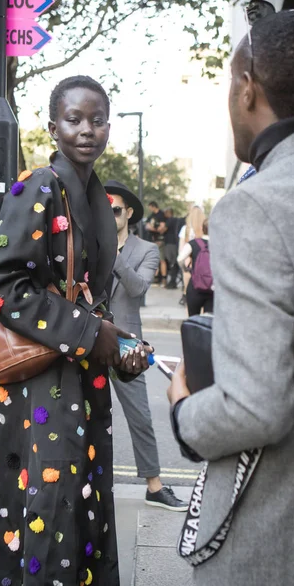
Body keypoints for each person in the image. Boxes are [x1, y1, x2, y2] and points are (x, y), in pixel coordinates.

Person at [0, 75, 151, 586]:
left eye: (97, 119)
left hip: (77, 384)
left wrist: (117, 345)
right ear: (53, 127)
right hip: (38, 391)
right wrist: (90, 333)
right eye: (74, 119)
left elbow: (85, 295)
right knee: (47, 515)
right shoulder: (41, 185)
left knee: (72, 511)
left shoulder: (91, 195)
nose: (87, 130)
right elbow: (1, 282)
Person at [168, 8, 294, 585]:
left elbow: (254, 405)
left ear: (248, 89)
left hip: (284, 541)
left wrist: (185, 414)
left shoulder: (256, 205)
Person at [104, 180, 188, 512]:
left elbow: (138, 289)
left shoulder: (147, 250)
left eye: (115, 210)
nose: (109, 215)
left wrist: (111, 254)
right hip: (89, 338)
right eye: (105, 208)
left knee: (140, 417)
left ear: (128, 214)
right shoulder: (89, 244)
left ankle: (154, 486)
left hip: (127, 346)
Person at [177, 218, 213, 316]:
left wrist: (186, 269)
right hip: (212, 287)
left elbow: (180, 259)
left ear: (202, 228)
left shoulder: (193, 243)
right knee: (209, 320)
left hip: (195, 286)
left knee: (192, 317)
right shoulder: (219, 244)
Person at [178, 205, 205, 306]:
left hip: (188, 260)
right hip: (202, 260)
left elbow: (181, 249)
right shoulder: (204, 228)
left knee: (188, 288)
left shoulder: (185, 229)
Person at [145, 201, 167, 285]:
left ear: (153, 206)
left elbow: (162, 228)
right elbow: (147, 225)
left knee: (161, 259)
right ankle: (156, 278)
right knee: (154, 259)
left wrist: (153, 228)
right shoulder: (152, 216)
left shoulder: (161, 215)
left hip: (160, 239)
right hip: (153, 239)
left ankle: (163, 278)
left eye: (150, 207)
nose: (150, 209)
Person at [160, 208, 180, 289]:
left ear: (168, 213)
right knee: (174, 261)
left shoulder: (170, 220)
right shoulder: (176, 220)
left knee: (171, 262)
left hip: (169, 243)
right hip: (175, 243)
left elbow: (162, 230)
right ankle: (173, 281)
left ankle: (172, 282)